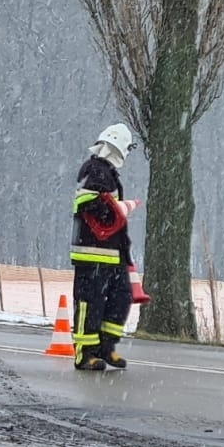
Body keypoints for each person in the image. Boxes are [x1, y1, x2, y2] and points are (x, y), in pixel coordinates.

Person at [69, 123, 138, 370]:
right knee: (90, 303)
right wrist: (113, 209)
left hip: (112, 253)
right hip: (92, 253)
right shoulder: (94, 170)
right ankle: (84, 354)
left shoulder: (107, 173)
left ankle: (105, 348)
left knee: (121, 298)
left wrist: (124, 253)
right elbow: (85, 204)